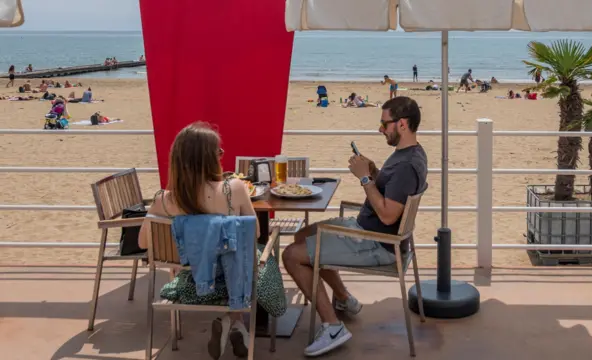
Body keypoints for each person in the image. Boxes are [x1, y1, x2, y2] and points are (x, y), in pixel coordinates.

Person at [282, 96, 428, 357]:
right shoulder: (411, 153)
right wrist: (373, 171)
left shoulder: (406, 165)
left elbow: (386, 216)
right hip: (366, 230)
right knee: (304, 235)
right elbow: (389, 193)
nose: (380, 129)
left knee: (292, 255)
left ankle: (333, 327)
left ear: (402, 124)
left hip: (375, 242)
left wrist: (364, 179)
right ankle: (344, 299)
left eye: (385, 124)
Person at [138, 122, 287, 359]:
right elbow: (255, 233)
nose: (222, 156)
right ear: (209, 158)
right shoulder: (234, 189)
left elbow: (144, 243)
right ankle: (234, 321)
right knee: (244, 257)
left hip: (196, 278)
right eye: (219, 152)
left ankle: (233, 323)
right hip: (236, 278)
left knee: (228, 259)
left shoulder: (163, 200)